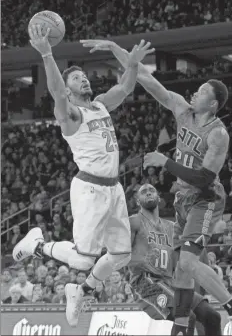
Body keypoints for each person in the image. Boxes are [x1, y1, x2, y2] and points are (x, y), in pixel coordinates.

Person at [80, 38, 232, 335]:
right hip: (183, 199)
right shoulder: (182, 111)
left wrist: (165, 162)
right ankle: (182, 328)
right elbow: (146, 79)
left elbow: (204, 179)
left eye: (201, 93)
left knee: (188, 261)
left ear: (212, 104)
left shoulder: (217, 134)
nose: (193, 93)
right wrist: (116, 49)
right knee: (182, 272)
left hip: (205, 198)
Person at [12, 26, 154, 327]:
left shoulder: (101, 104)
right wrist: (47, 54)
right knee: (83, 259)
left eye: (84, 75)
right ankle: (37, 244)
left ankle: (80, 289)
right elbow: (55, 90)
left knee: (121, 256)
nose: (83, 78)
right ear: (68, 88)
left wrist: (130, 61)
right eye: (76, 78)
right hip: (89, 189)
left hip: (113, 189)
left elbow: (126, 87)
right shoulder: (70, 114)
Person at [129, 183, 222, 336]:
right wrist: (143, 259)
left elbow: (195, 248)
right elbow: (120, 254)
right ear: (138, 201)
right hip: (145, 283)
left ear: (159, 198)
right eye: (143, 192)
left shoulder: (172, 227)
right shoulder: (133, 222)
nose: (148, 192)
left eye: (151, 190)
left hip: (171, 283)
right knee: (186, 317)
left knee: (212, 316)